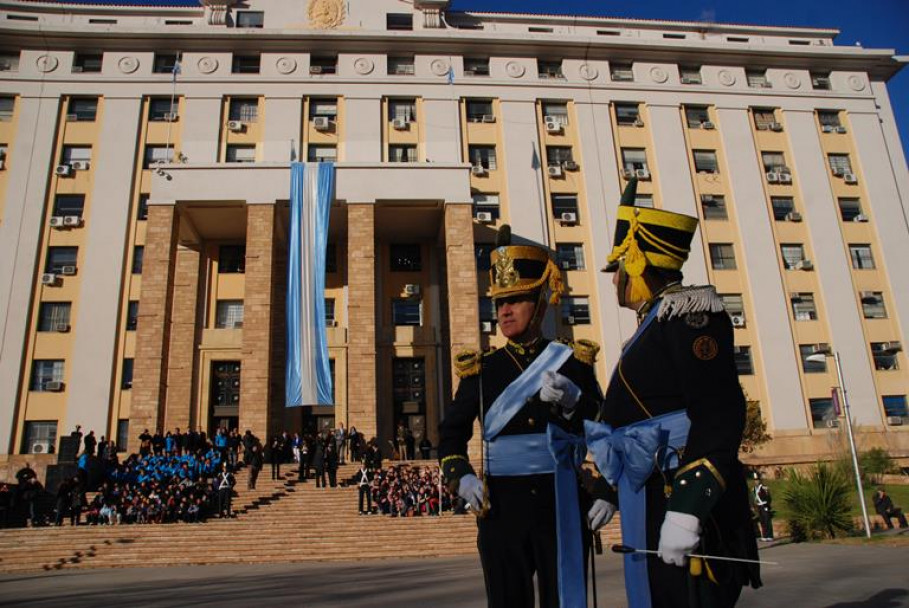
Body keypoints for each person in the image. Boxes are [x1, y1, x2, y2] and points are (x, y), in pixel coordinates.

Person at [588, 180, 761, 608]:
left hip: (681, 498)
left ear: (639, 264)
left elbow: (718, 411)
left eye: (620, 271)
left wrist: (688, 506)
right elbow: (626, 420)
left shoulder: (690, 315)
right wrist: (610, 490)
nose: (615, 284)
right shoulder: (651, 327)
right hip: (649, 497)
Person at [438, 225, 605, 608]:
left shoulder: (571, 361)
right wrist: (460, 475)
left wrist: (574, 400)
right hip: (502, 510)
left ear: (540, 305)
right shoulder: (481, 369)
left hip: (559, 502)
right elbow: (451, 434)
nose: (504, 311)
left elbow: (601, 425)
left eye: (514, 300)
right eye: (499, 303)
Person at [753, 474, 774, 541]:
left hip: (764, 506)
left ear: (760, 480)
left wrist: (767, 505)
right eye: (755, 480)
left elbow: (768, 497)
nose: (756, 481)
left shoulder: (764, 487)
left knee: (767, 520)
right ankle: (765, 536)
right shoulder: (754, 489)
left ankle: (770, 536)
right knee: (762, 521)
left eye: (757, 480)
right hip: (759, 506)